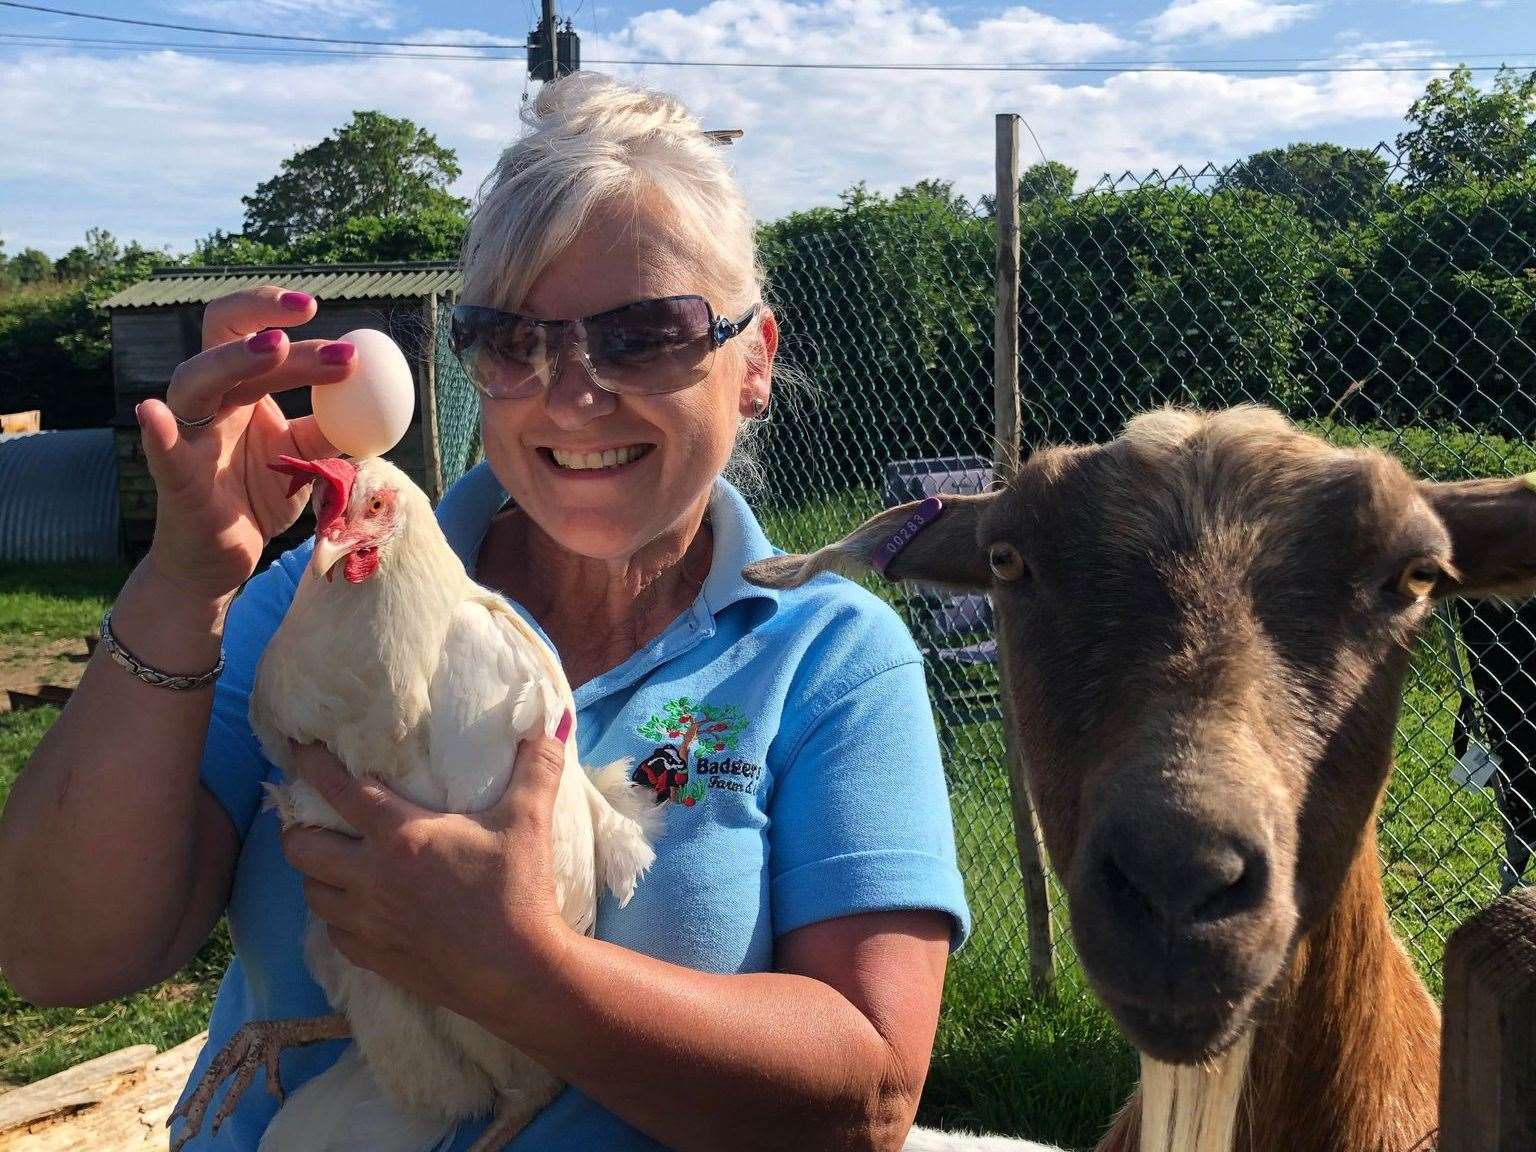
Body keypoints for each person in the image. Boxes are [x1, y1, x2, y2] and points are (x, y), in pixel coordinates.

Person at [0, 73, 969, 1151]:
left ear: (754, 363)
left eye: (646, 331)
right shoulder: (307, 605)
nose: (571, 392)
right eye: (513, 339)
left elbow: (869, 1097)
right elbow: (57, 956)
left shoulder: (827, 658)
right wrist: (188, 579)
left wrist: (523, 971)